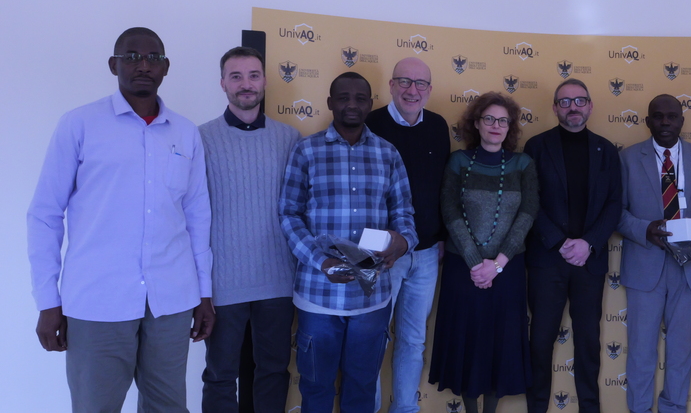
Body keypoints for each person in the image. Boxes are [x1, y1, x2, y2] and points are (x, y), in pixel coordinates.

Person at [27, 27, 214, 412]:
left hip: (171, 299)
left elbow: (198, 217)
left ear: (165, 67)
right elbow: (45, 215)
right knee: (96, 406)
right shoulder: (79, 124)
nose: (143, 65)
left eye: (153, 58)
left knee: (168, 407)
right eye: (132, 57)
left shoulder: (185, 133)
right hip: (98, 301)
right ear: (114, 65)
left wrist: (204, 294)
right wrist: (47, 301)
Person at [279, 71, 417, 413]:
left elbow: (404, 213)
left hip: (372, 298)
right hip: (318, 297)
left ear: (370, 104)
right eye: (343, 98)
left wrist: (402, 242)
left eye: (359, 98)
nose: (352, 105)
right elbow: (289, 214)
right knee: (316, 389)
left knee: (361, 389)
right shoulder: (306, 151)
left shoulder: (388, 153)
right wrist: (321, 261)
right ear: (330, 103)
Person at [199, 46, 301, 413]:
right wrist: (202, 286)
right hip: (223, 283)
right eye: (236, 76)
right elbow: (192, 215)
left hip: (277, 281)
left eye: (253, 75)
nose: (246, 84)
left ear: (265, 81)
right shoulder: (201, 138)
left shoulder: (289, 138)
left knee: (273, 371)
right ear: (223, 83)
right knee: (220, 375)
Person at [429, 92, 539, 413]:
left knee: (499, 345)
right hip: (463, 269)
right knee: (466, 342)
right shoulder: (458, 161)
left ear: (510, 127)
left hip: (508, 270)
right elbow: (450, 211)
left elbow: (528, 214)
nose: (496, 125)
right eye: (489, 118)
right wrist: (477, 264)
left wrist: (498, 264)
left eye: (503, 120)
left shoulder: (523, 164)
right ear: (476, 123)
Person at [617, 94, 691, 413]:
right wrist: (644, 229)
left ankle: (673, 408)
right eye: (658, 116)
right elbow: (615, 211)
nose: (665, 122)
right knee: (641, 351)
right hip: (644, 265)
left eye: (672, 116)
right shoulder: (626, 159)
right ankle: (639, 409)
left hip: (690, 268)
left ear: (682, 120)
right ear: (647, 121)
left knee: (681, 351)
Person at [523, 79, 622, 413]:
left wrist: (588, 243)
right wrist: (561, 241)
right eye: (565, 102)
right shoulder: (536, 147)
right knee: (539, 342)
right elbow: (530, 201)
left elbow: (614, 203)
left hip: (589, 262)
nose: (573, 107)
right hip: (547, 259)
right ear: (555, 108)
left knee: (589, 344)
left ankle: (590, 408)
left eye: (580, 100)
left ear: (590, 105)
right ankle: (536, 407)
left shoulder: (606, 150)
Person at [366, 57, 450, 413]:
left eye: (420, 84)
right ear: (391, 85)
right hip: (383, 254)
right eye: (404, 81)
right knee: (373, 339)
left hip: (427, 254)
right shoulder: (371, 123)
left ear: (429, 90)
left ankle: (405, 409)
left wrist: (442, 235)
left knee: (414, 341)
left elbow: (443, 186)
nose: (412, 90)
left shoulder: (438, 125)